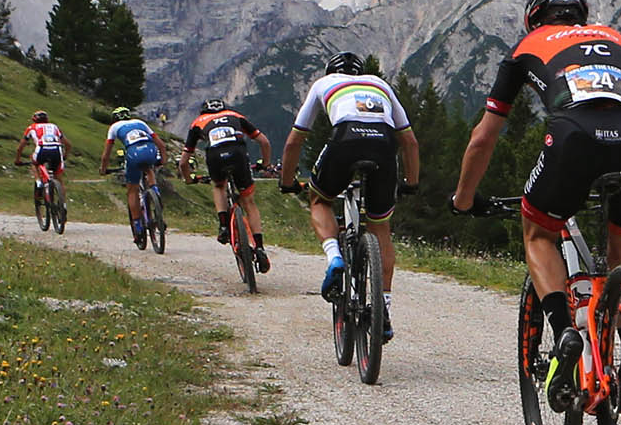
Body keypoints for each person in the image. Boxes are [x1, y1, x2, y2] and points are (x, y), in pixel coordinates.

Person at [451, 0, 621, 397]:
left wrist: (464, 198)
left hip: (573, 136)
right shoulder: (618, 41)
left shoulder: (526, 48)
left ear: (533, 17)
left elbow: (483, 138)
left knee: (538, 231)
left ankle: (564, 334)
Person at [276, 55, 421, 324]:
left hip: (345, 138)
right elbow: (410, 141)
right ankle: (384, 309)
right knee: (381, 228)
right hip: (384, 146)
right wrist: (411, 183)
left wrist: (287, 181)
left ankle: (334, 257)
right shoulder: (379, 83)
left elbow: (294, 141)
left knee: (319, 199)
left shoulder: (324, 83)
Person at [183, 96, 276, 272]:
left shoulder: (198, 122)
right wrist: (265, 164)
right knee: (249, 202)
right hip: (239, 154)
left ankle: (224, 225)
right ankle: (260, 247)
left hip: (215, 156)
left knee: (219, 186)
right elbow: (264, 141)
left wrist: (188, 179)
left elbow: (183, 162)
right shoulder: (235, 115)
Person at [102, 107, 165, 248]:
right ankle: (156, 192)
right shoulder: (141, 122)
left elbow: (106, 154)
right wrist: (163, 160)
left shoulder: (114, 127)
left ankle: (137, 226)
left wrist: (103, 169)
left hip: (133, 153)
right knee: (149, 168)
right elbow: (161, 144)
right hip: (150, 150)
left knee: (132, 190)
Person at [20, 110, 68, 208]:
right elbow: (68, 145)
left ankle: (38, 182)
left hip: (42, 149)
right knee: (59, 179)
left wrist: (17, 159)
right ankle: (63, 205)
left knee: (34, 162)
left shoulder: (31, 128)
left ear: (34, 120)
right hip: (57, 150)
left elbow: (20, 147)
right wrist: (65, 155)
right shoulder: (54, 127)